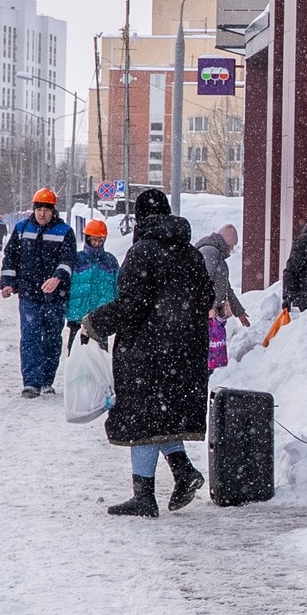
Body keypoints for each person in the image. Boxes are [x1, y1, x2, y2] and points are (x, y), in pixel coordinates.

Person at [80, 187, 215, 517]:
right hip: (184, 353)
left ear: (140, 219)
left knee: (143, 418)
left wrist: (95, 322)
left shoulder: (143, 252)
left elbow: (132, 305)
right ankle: (183, 472)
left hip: (148, 352)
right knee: (162, 416)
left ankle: (144, 496)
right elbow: (206, 298)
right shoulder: (191, 254)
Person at [0, 189, 76, 396]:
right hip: (29, 295)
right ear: (34, 209)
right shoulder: (22, 229)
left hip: (55, 297)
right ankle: (31, 382)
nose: (42, 214)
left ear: (53, 211)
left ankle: (47, 380)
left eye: (46, 210)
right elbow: (10, 257)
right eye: (39, 209)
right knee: (30, 337)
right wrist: (7, 282)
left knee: (52, 338)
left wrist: (57, 277)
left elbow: (68, 260)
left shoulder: (65, 232)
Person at [64, 218, 120, 334]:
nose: (96, 244)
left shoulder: (111, 261)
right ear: (87, 239)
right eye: (93, 240)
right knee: (75, 351)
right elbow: (66, 286)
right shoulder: (76, 259)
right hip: (78, 316)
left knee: (99, 351)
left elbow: (117, 287)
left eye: (100, 240)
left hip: (101, 318)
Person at [195, 221, 249, 321]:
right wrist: (208, 306)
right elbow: (203, 282)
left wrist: (239, 312)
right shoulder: (210, 252)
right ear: (226, 243)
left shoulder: (216, 254)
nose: (231, 249)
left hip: (212, 314)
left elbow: (226, 287)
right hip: (205, 314)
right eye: (231, 246)